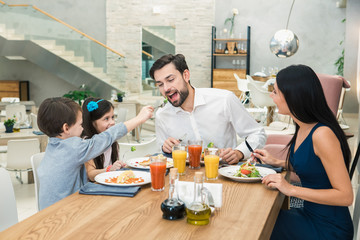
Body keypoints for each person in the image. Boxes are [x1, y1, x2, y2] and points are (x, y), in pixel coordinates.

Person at [253, 65, 353, 239]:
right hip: (310, 215)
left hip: (328, 228)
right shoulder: (303, 126)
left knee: (258, 226)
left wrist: (291, 189)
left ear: (292, 96)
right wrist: (277, 162)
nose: (271, 96)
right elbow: (314, 168)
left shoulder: (322, 134)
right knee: (258, 217)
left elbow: (345, 196)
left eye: (275, 92)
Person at [37, 97, 153, 210]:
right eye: (80, 125)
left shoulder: (52, 146)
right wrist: (139, 119)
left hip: (47, 212)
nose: (83, 129)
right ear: (66, 128)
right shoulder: (73, 148)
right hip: (64, 212)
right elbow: (107, 137)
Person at [149, 54, 266, 164]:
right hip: (185, 176)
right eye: (160, 84)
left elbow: (257, 133)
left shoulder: (224, 100)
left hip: (224, 173)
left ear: (186, 75)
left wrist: (239, 153)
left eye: (170, 80)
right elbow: (161, 155)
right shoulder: (162, 115)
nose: (166, 88)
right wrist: (165, 148)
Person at [81, 98, 126, 181]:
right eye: (106, 119)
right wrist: (109, 170)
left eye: (112, 117)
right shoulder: (86, 143)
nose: (112, 122)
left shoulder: (111, 140)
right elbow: (90, 174)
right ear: (92, 122)